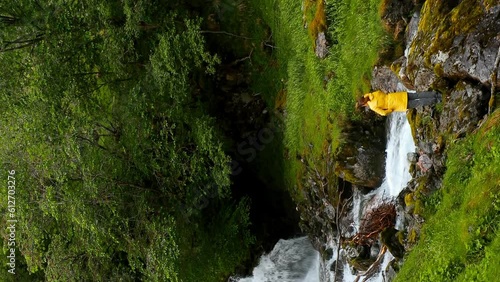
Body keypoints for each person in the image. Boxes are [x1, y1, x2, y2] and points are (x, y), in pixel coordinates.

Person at [357, 90, 442, 116]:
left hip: (397, 104)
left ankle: (437, 100)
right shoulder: (372, 94)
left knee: (418, 103)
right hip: (397, 96)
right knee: (417, 95)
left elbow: (383, 113)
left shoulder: (372, 106)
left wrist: (390, 110)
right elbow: (381, 92)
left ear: (364, 104)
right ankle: (436, 94)